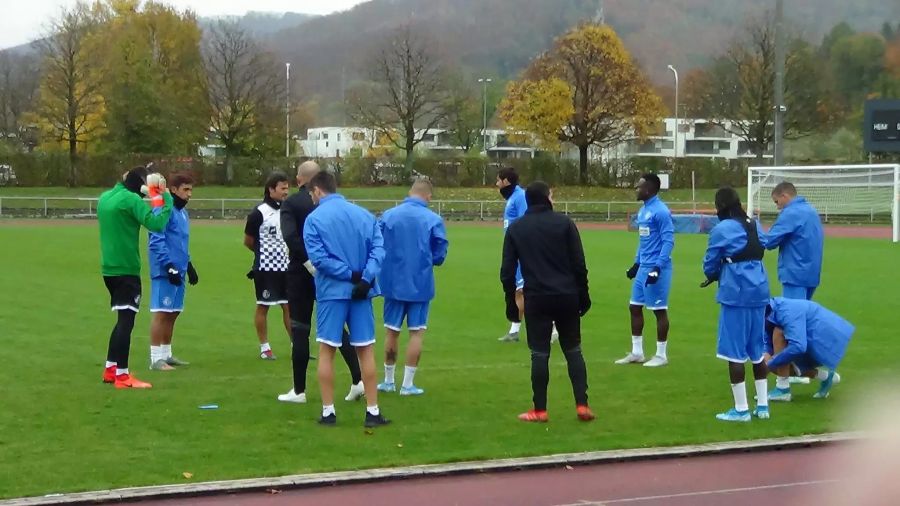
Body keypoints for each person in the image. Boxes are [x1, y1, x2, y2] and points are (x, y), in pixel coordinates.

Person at [501, 181, 595, 423]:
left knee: (539, 354)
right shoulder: (565, 223)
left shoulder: (517, 228)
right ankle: (582, 405)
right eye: (552, 194)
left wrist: (511, 305)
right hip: (567, 295)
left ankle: (540, 410)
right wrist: (583, 296)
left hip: (536, 297)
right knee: (573, 350)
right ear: (546, 198)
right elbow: (579, 264)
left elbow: (507, 271)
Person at [303, 171, 390, 428]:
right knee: (366, 350)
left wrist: (348, 274)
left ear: (318, 190)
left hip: (332, 292)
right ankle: (372, 411)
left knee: (327, 350)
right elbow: (378, 250)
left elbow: (319, 259)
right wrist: (365, 277)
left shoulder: (314, 219)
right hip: (362, 291)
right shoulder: (364, 215)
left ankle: (329, 412)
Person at [277, 161, 364, 404]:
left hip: (302, 273)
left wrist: (308, 262)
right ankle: (358, 379)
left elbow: (291, 236)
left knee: (300, 329)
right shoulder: (337, 205)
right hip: (333, 273)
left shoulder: (292, 203)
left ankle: (299, 390)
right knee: (337, 328)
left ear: (299, 180)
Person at [98, 165, 172, 388]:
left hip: (109, 269)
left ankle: (111, 368)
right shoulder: (131, 201)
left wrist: (149, 195)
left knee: (121, 318)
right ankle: (123, 375)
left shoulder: (105, 198)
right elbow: (156, 223)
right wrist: (164, 199)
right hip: (127, 269)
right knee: (126, 322)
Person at [702, 187, 771, 422]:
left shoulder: (722, 228)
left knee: (735, 353)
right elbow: (763, 245)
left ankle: (741, 409)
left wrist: (713, 274)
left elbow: (710, 261)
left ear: (720, 206)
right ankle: (763, 406)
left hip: (736, 293)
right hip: (760, 290)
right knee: (758, 351)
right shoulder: (755, 223)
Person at [376, 178, 449, 396]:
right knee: (416, 333)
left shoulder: (388, 215)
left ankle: (388, 381)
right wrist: (430, 260)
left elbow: (376, 244)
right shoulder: (433, 219)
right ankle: (408, 384)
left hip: (392, 282)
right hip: (420, 283)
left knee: (392, 331)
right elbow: (440, 251)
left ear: (410, 192)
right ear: (428, 196)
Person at [617, 174, 675, 367]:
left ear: (649, 189)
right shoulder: (643, 211)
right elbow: (644, 241)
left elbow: (668, 241)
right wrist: (636, 263)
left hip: (658, 268)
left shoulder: (661, 211)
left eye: (639, 186)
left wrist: (658, 267)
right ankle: (637, 352)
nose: (637, 189)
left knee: (659, 310)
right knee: (634, 307)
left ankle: (661, 355)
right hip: (644, 268)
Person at [148, 172, 197, 370]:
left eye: (191, 190)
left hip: (181, 269)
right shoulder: (163, 210)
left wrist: (189, 265)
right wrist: (168, 265)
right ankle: (155, 359)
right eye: (186, 190)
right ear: (173, 190)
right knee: (162, 312)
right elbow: (156, 240)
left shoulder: (183, 213)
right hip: (165, 270)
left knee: (173, 312)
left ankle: (166, 354)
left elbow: (181, 242)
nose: (189, 194)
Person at [764, 297, 852, 401]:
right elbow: (767, 336)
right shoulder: (770, 310)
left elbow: (798, 346)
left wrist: (772, 362)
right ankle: (826, 377)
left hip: (825, 341)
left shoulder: (786, 312)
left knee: (779, 334)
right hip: (811, 336)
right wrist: (767, 356)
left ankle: (782, 389)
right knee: (773, 361)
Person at [244, 172, 291, 360]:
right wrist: (263, 255)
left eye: (287, 188)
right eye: (283, 188)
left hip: (286, 267)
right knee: (263, 306)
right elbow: (248, 241)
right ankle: (265, 348)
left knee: (289, 306)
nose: (286, 192)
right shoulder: (259, 212)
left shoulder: (288, 211)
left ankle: (296, 345)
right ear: (271, 190)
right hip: (265, 268)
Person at [761, 182, 824, 300]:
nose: (778, 207)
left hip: (795, 273)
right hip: (812, 272)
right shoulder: (811, 211)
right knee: (805, 313)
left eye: (777, 202)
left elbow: (769, 242)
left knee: (793, 315)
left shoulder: (791, 213)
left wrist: (754, 230)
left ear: (784, 196)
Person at [496, 167, 528, 342]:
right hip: (512, 250)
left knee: (524, 290)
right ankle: (514, 330)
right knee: (518, 290)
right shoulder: (512, 197)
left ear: (506, 181)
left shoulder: (520, 196)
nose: (496, 184)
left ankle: (553, 327)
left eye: (498, 181)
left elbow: (525, 221)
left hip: (520, 251)